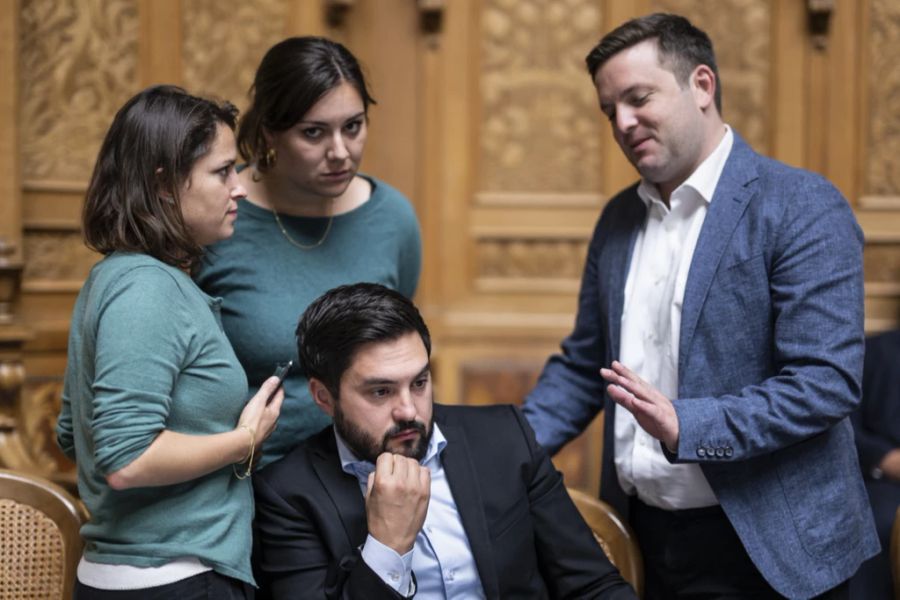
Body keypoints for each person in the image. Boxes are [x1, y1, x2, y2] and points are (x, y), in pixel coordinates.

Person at [522, 13, 878, 600]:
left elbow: (826, 381)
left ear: (703, 86)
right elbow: (589, 363)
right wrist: (505, 451)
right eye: (610, 110)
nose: (623, 122)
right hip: (645, 535)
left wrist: (689, 425)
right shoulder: (617, 219)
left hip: (773, 546)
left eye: (638, 99)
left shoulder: (801, 204)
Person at [252, 283, 637, 599]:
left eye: (419, 383)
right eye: (381, 392)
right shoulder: (288, 495)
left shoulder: (503, 436)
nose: (408, 410)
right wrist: (388, 546)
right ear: (324, 397)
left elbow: (593, 586)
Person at [56, 85, 284, 599]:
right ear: (164, 186)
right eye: (222, 171)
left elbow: (74, 433)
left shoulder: (115, 279)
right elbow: (127, 458)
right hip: (172, 581)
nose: (239, 188)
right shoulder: (146, 290)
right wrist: (245, 439)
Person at [195, 36, 422, 469]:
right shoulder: (219, 215)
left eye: (353, 127)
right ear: (269, 132)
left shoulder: (393, 217)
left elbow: (404, 354)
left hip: (370, 474)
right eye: (313, 133)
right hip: (247, 479)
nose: (340, 152)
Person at [850, 329, 900, 598]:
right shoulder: (872, 351)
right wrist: (885, 458)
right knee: (873, 523)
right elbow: (842, 425)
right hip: (884, 482)